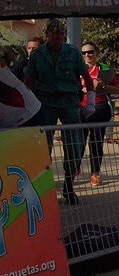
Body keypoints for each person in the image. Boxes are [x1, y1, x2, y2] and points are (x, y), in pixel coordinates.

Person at [23, 20, 94, 205]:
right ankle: (43, 188)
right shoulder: (38, 54)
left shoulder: (72, 53)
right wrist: (26, 104)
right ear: (47, 35)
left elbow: (87, 78)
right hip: (46, 102)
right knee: (42, 147)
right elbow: (29, 80)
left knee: (74, 145)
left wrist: (91, 102)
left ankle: (69, 186)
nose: (58, 38)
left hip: (70, 102)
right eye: (55, 34)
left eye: (61, 34)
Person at [78, 42, 119, 187]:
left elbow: (116, 89)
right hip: (80, 108)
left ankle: (95, 173)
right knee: (78, 141)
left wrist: (103, 86)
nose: (87, 55)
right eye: (83, 53)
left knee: (96, 142)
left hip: (99, 107)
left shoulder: (104, 69)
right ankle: (74, 167)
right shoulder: (77, 68)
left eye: (90, 52)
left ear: (96, 52)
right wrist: (83, 89)